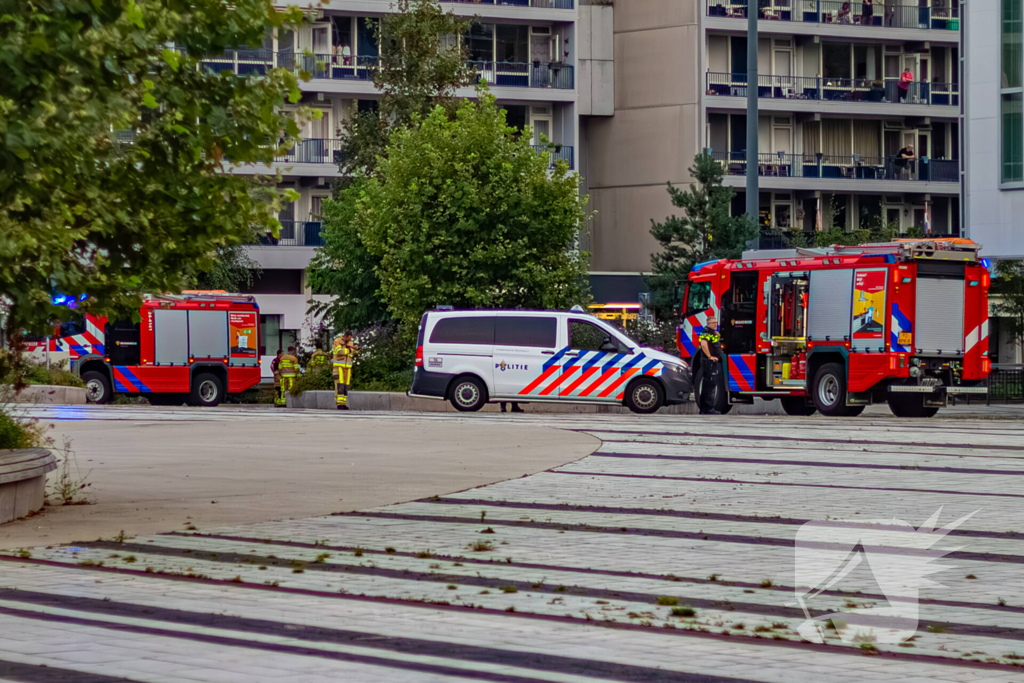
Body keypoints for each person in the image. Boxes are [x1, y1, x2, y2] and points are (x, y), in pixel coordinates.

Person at [698, 317, 726, 415]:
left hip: (711, 361)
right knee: (709, 385)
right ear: (708, 323)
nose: (715, 324)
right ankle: (707, 408)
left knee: (710, 384)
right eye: (713, 323)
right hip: (708, 362)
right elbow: (704, 344)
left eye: (716, 323)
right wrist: (710, 356)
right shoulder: (706, 333)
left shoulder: (712, 333)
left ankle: (706, 408)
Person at [332, 332, 358, 411]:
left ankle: (344, 403)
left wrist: (356, 348)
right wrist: (350, 349)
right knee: (339, 386)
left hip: (348, 368)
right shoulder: (337, 341)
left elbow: (354, 352)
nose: (350, 339)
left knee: (345, 387)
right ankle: (339, 404)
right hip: (338, 368)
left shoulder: (351, 343)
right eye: (349, 338)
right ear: (346, 336)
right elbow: (338, 351)